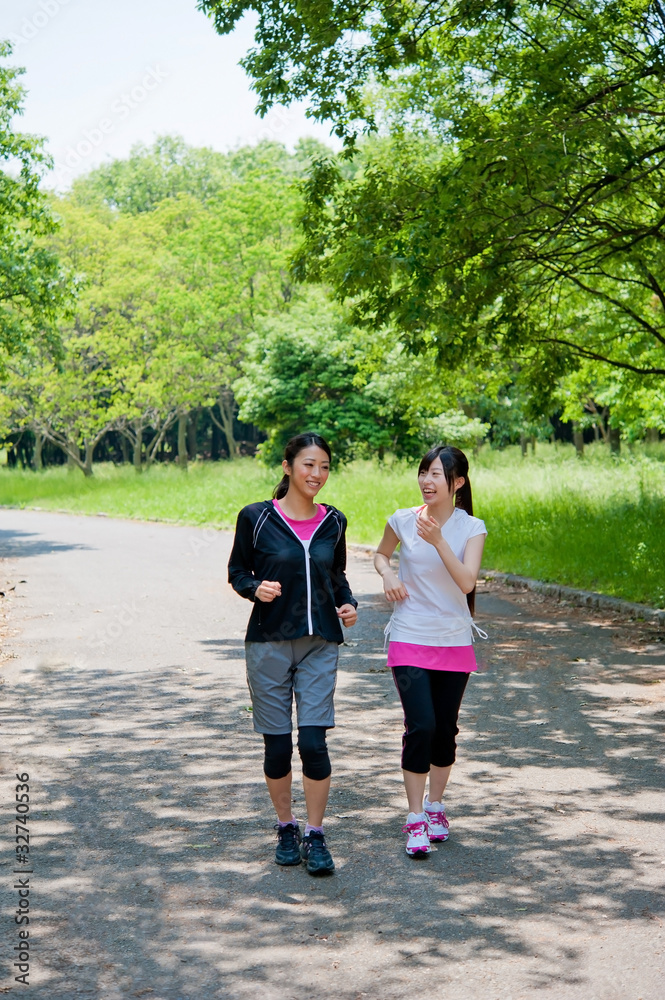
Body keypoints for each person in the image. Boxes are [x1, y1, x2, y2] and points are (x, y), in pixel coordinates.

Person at [228, 432, 358, 875]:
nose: (316, 474)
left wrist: (349, 603)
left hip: (320, 642)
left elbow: (335, 573)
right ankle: (286, 826)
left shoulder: (334, 521)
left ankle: (316, 834)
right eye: (308, 465)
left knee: (314, 742)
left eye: (323, 466)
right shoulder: (256, 517)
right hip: (268, 643)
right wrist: (254, 587)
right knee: (278, 745)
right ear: (287, 467)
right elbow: (237, 570)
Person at [374, 444, 487, 857]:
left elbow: (467, 583)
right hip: (408, 636)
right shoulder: (402, 520)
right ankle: (415, 816)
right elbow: (381, 554)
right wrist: (387, 573)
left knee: (445, 729)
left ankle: (437, 806)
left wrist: (439, 541)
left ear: (457, 483)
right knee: (419, 725)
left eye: (436, 474)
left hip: (453, 639)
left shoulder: (471, 528)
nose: (426, 480)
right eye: (423, 472)